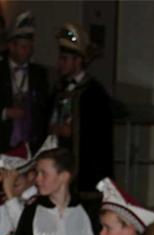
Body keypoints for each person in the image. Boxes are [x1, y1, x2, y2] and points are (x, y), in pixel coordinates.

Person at [0, 11, 50, 168]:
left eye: (30, 47)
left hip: (31, 145)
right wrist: (5, 112)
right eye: (23, 47)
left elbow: (45, 109)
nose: (28, 51)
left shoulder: (39, 73)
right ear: (11, 46)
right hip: (2, 143)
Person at [50, 23, 113, 192]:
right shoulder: (59, 87)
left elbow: (99, 133)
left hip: (86, 168)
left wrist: (73, 130)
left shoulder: (94, 92)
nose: (60, 63)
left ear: (78, 61)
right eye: (60, 58)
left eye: (65, 59)